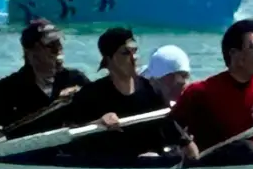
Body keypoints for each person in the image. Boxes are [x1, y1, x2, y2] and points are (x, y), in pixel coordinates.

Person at [171, 18, 253, 160]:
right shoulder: (201, 92)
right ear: (234, 53)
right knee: (246, 148)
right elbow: (169, 124)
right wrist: (186, 142)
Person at [62, 28, 190, 160]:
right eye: (125, 53)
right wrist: (98, 124)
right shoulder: (91, 95)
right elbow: (71, 137)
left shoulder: (151, 91)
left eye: (134, 51)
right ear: (108, 60)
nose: (133, 58)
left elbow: (178, 138)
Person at [0, 18, 90, 136]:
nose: (58, 50)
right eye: (51, 45)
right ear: (30, 52)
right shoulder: (10, 88)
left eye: (59, 43)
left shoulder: (76, 80)